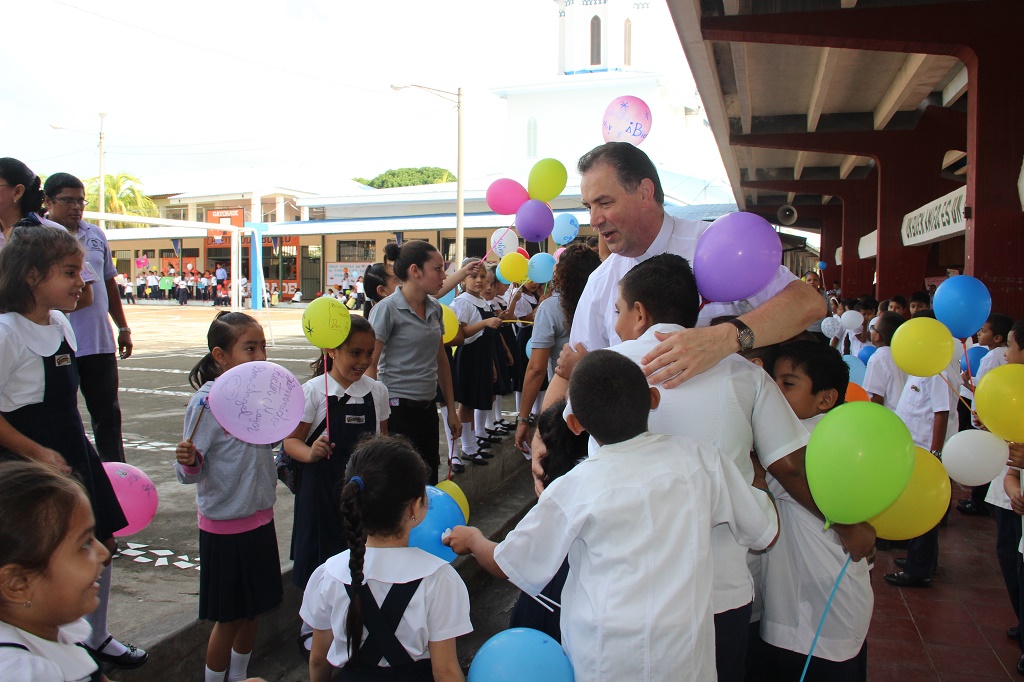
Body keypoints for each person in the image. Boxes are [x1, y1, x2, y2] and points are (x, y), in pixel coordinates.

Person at [574, 254, 867, 680]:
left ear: (639, 314)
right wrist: (844, 523)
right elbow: (789, 466)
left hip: (620, 588)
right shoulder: (741, 372)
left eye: (618, 311)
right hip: (718, 592)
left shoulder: (599, 371)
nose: (616, 323)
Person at [445, 349, 780, 680]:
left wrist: (473, 539)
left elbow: (507, 563)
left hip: (603, 660)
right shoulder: (703, 461)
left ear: (574, 423)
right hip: (685, 658)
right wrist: (759, 477)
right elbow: (764, 531)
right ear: (652, 398)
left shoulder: (573, 488)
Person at [548, 142, 824, 408]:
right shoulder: (600, 281)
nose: (594, 220)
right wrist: (542, 439)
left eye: (604, 203)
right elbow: (571, 367)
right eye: (588, 207)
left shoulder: (718, 244)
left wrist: (722, 339)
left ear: (645, 193)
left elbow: (809, 304)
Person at [0, 224, 144, 670]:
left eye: (80, 271)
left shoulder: (61, 323)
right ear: (31, 277)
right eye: (68, 272)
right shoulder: (6, 333)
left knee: (100, 539)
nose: (81, 282)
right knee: (48, 555)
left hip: (70, 448)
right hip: (28, 462)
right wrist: (36, 453)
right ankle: (44, 643)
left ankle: (95, 636)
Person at [301, 434, 472, 682]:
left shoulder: (328, 574)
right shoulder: (440, 579)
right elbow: (445, 671)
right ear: (415, 507)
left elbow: (318, 659)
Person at [174, 312, 282, 682]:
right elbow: (189, 473)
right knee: (229, 616)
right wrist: (188, 461)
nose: (260, 356)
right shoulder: (206, 404)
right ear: (220, 356)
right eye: (249, 348)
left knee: (254, 611)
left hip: (261, 518)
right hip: (223, 527)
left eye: (263, 347)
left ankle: (239, 677)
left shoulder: (262, 394)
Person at [754, 341, 872, 680]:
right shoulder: (838, 433)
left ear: (825, 399)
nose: (774, 391)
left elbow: (779, 470)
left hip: (816, 608)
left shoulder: (803, 441)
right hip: (813, 600)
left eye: (788, 384)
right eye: (772, 380)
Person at [283, 315, 390, 655]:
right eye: (354, 353)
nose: (362, 361)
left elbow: (382, 441)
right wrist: (310, 452)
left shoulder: (377, 392)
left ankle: (353, 616)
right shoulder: (313, 392)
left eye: (368, 353)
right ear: (331, 351)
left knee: (357, 554)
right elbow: (290, 442)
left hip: (360, 492)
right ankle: (311, 623)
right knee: (318, 552)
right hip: (319, 491)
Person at [43, 174, 134, 465]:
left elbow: (109, 283)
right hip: (57, 342)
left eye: (80, 200)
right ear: (47, 201)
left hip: (98, 342)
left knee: (108, 416)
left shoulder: (95, 234)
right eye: (67, 200)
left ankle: (115, 472)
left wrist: (123, 327)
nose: (76, 207)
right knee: (62, 416)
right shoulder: (39, 235)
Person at [0, 460, 111, 682]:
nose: (103, 553)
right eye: (85, 544)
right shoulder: (20, 673)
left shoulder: (51, 627)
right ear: (18, 584)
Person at [367, 241, 461, 485]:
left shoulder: (434, 309)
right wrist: (377, 421)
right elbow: (370, 365)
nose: (444, 276)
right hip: (396, 412)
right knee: (401, 484)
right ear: (415, 271)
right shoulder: (386, 310)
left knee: (427, 480)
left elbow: (441, 360)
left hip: (427, 410)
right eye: (438, 269)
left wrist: (451, 410)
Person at [885, 310, 961, 588]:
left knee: (924, 510)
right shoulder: (920, 366)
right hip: (915, 446)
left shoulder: (937, 369)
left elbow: (941, 413)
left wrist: (935, 453)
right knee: (920, 508)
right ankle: (923, 558)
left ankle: (919, 569)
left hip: (928, 451)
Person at [506, 399, 588, 642]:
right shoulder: (595, 484)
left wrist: (474, 541)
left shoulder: (555, 502)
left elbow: (507, 560)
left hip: (548, 607)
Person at [514, 244, 601, 455]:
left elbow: (536, 369)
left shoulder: (551, 307)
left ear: (561, 274)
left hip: (565, 404)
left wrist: (523, 419)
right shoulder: (603, 300)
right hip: (604, 400)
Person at [957, 313, 1013, 516]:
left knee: (984, 457)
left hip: (986, 417)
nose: (979, 333)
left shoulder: (991, 357)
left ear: (998, 338)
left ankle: (978, 500)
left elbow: (983, 389)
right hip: (999, 417)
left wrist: (965, 383)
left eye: (984, 331)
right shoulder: (1003, 355)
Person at [450, 263, 504, 469]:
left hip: (483, 356)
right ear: (463, 279)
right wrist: (484, 323)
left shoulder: (482, 301)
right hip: (469, 356)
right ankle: (466, 446)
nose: (479, 281)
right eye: (474, 277)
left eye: (483, 276)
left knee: (475, 401)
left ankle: (472, 444)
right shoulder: (462, 302)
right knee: (467, 403)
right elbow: (461, 334)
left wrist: (491, 364)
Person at [861, 311, 907, 410]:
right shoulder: (905, 355)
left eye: (873, 328)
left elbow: (876, 398)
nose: (871, 331)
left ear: (878, 336)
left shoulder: (878, 358)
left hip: (889, 417)